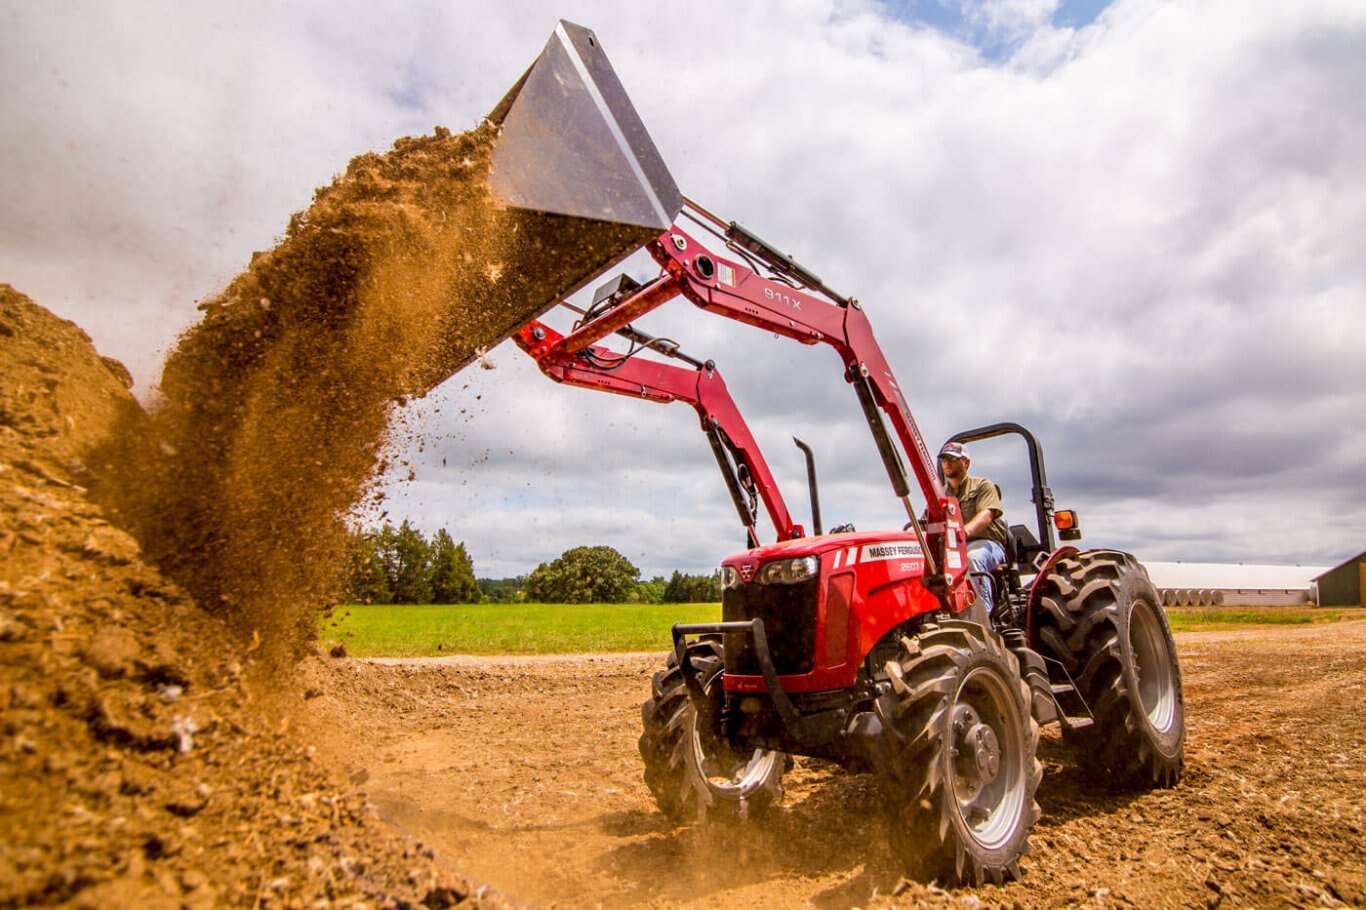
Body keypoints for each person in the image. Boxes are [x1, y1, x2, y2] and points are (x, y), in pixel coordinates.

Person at [938, 441, 1009, 609]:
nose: (947, 463)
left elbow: (986, 515)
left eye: (953, 459)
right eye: (944, 459)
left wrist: (964, 532)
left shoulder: (983, 486)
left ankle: (982, 619)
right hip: (953, 548)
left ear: (966, 462)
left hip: (986, 543)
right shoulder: (940, 495)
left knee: (972, 558)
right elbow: (926, 521)